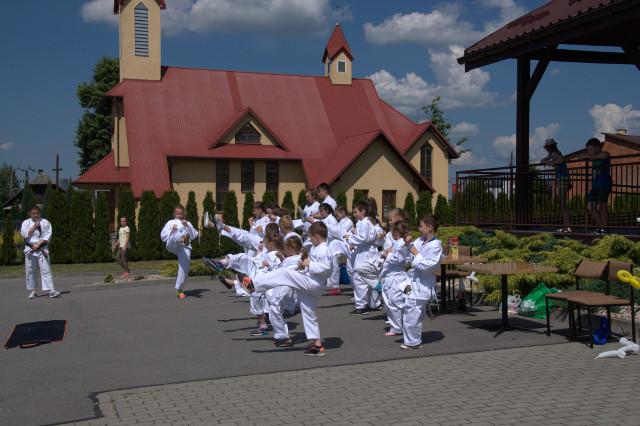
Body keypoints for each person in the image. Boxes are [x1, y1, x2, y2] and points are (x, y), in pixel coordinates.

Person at [241, 222, 331, 356]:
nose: (309, 239)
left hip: (313, 283)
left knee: (284, 273)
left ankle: (253, 286)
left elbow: (326, 269)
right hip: (313, 284)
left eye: (310, 237)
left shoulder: (324, 249)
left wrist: (309, 264)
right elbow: (317, 266)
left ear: (316, 236)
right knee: (308, 312)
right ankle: (317, 345)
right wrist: (304, 265)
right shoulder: (318, 248)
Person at [403, 215, 443, 349]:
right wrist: (407, 244)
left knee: (413, 312)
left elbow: (428, 266)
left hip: (423, 285)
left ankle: (413, 342)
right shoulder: (419, 241)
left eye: (421, 226)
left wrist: (416, 253)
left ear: (430, 227)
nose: (419, 229)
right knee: (407, 308)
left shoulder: (436, 246)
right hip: (410, 282)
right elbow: (408, 258)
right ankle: (411, 339)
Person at [20, 206, 60, 299]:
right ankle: (33, 291)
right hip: (30, 249)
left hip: (42, 249)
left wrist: (38, 244)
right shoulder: (26, 223)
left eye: (37, 213)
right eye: (33, 213)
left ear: (40, 213)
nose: (35, 215)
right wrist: (35, 226)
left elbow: (48, 235)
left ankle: (51, 290)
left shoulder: (45, 222)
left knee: (46, 269)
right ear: (30, 214)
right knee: (30, 271)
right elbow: (25, 234)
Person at [380, 221, 412, 337]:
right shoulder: (398, 243)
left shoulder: (403, 243)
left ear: (396, 232)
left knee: (396, 302)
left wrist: (388, 254)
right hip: (395, 277)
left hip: (398, 277)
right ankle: (400, 325)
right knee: (397, 301)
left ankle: (398, 327)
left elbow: (400, 259)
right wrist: (387, 253)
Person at [346, 200, 378, 315]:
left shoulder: (365, 222)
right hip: (364, 252)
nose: (354, 214)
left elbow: (364, 238)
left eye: (356, 212)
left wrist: (350, 239)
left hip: (365, 253)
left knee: (358, 277)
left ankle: (362, 306)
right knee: (365, 278)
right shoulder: (364, 222)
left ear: (363, 211)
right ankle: (372, 304)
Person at [160, 205, 199, 299]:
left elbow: (194, 235)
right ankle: (179, 237)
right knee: (176, 234)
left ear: (184, 214)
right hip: (172, 244)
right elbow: (163, 236)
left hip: (185, 246)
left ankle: (179, 289)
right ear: (174, 214)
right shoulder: (171, 222)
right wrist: (171, 230)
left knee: (185, 268)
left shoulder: (187, 223)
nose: (179, 215)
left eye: (181, 213)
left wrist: (187, 226)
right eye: (177, 213)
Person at [577, 138, 612, 234]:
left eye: (590, 149)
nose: (589, 152)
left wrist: (587, 156)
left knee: (602, 206)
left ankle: (604, 229)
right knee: (590, 206)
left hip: (603, 182)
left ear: (597, 147)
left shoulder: (604, 154)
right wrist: (587, 156)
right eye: (588, 150)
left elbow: (602, 156)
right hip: (595, 184)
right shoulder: (593, 156)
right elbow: (581, 157)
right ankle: (602, 227)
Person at [541, 138, 572, 233]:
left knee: (562, 203)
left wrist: (551, 162)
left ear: (549, 147)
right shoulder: (553, 154)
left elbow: (562, 159)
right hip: (561, 179)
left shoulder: (555, 153)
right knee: (562, 203)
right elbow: (543, 160)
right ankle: (566, 226)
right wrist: (548, 160)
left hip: (563, 179)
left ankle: (567, 226)